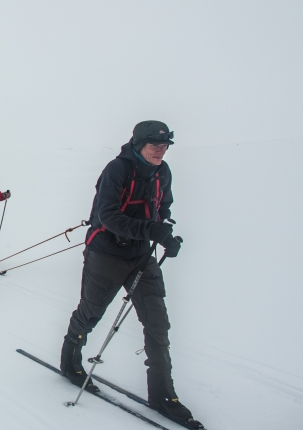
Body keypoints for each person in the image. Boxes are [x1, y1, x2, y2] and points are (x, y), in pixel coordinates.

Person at [60, 121, 201, 429]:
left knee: (157, 322)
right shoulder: (117, 170)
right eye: (155, 146)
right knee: (91, 312)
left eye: (165, 146)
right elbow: (107, 215)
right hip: (106, 254)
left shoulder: (163, 172)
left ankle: (163, 394)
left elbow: (162, 209)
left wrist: (166, 235)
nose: (161, 151)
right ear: (138, 145)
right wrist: (151, 230)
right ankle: (70, 358)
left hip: (141, 256)